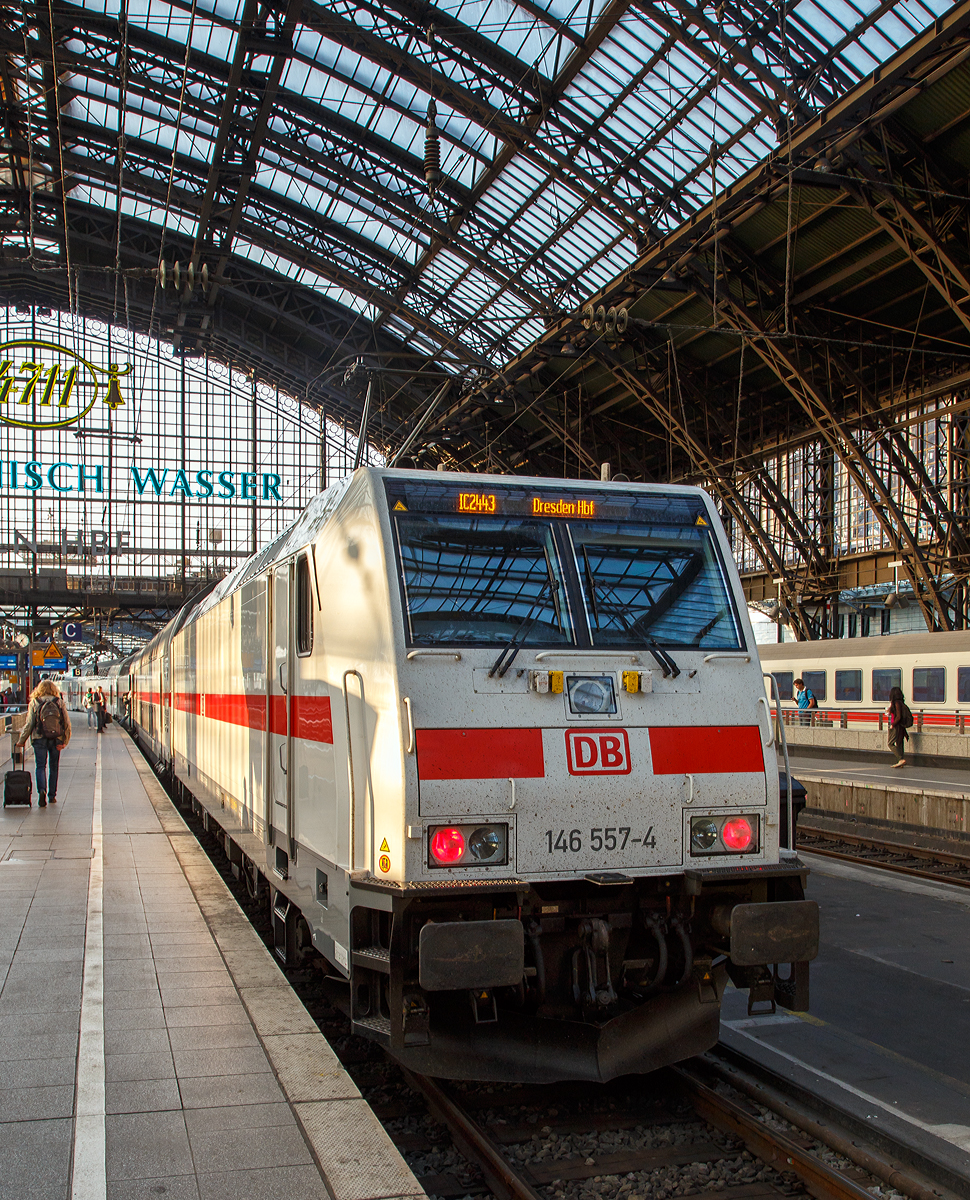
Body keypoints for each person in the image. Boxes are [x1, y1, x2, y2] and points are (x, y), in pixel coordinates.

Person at [15, 678, 72, 807]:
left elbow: (29, 724)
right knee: (54, 767)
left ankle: (42, 790)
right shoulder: (59, 702)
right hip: (56, 738)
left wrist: (21, 741)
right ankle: (52, 796)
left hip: (39, 738)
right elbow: (67, 723)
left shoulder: (35, 702)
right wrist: (64, 741)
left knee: (40, 766)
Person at [887, 686, 909, 768]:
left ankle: (900, 759)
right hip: (900, 727)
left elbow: (898, 716)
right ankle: (901, 762)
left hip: (896, 726)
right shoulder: (901, 702)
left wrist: (893, 724)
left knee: (890, 743)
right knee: (899, 743)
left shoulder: (896, 703)